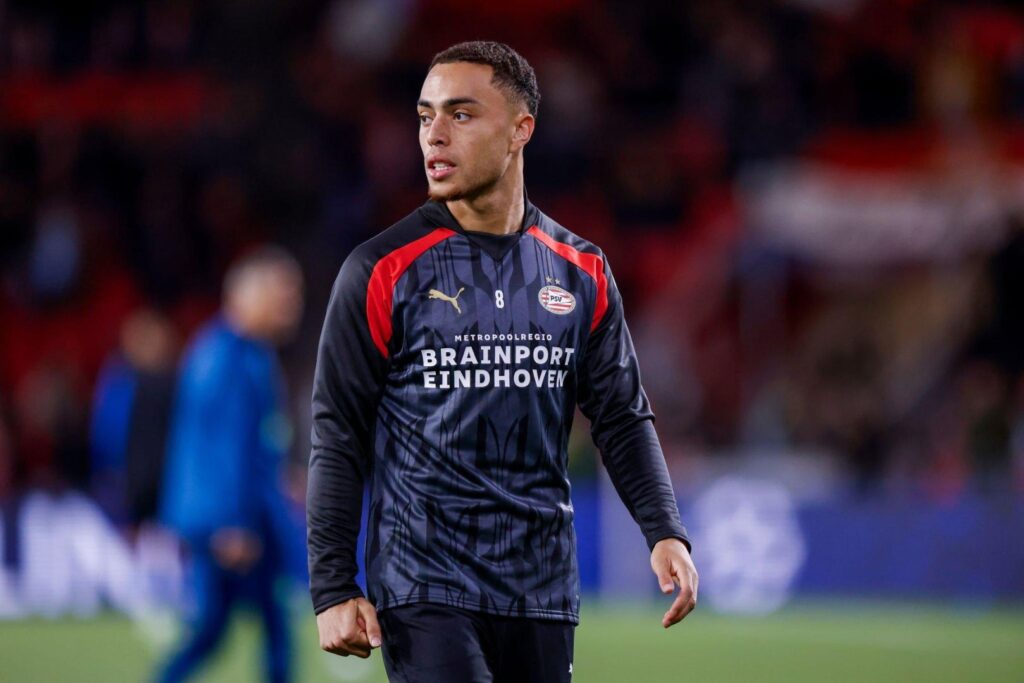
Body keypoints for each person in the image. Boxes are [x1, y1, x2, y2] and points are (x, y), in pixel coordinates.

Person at [308, 41, 698, 682]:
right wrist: (331, 586)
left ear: (521, 130)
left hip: (541, 587)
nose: (433, 134)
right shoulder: (379, 271)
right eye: (424, 115)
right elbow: (338, 433)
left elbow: (622, 416)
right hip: (424, 584)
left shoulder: (581, 272)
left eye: (460, 115)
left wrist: (664, 529)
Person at [156, 247, 304, 683]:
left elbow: (252, 441)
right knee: (222, 629)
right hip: (233, 524)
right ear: (249, 296)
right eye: (283, 296)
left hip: (250, 514)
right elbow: (213, 450)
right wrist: (226, 524)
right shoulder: (222, 358)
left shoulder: (247, 354)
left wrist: (280, 476)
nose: (291, 307)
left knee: (250, 628)